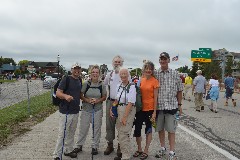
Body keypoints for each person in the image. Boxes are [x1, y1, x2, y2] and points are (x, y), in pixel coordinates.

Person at [72, 65, 107, 155]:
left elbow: (104, 96)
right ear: (90, 73)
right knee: (83, 128)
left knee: (96, 129)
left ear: (99, 74)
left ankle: (94, 146)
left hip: (98, 109)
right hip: (86, 109)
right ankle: (79, 145)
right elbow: (81, 95)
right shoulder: (86, 84)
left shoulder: (102, 84)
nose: (95, 74)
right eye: (93, 72)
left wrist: (97, 100)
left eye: (96, 72)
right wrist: (87, 100)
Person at [155, 52, 183, 160]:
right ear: (159, 61)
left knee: (171, 130)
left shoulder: (175, 73)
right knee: (160, 129)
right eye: (161, 59)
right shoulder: (156, 73)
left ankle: (172, 152)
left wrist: (180, 105)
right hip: (159, 107)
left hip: (172, 107)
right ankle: (163, 148)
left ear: (168, 60)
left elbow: (180, 90)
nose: (163, 61)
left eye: (165, 59)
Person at [53, 63, 82, 160]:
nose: (77, 70)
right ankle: (56, 155)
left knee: (71, 132)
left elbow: (79, 94)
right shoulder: (66, 79)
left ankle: (68, 150)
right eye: (75, 69)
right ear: (71, 70)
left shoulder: (79, 80)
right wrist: (66, 96)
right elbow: (58, 93)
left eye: (78, 69)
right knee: (63, 133)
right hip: (65, 111)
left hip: (75, 110)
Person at [103, 55, 130, 156]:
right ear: (112, 63)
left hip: (122, 103)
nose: (117, 64)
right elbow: (104, 84)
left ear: (122, 63)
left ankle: (120, 145)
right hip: (111, 101)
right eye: (116, 62)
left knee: (120, 124)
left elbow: (130, 87)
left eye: (119, 62)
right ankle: (110, 144)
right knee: (109, 124)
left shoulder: (126, 74)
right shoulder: (110, 74)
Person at [133, 61, 159, 160]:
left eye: (150, 69)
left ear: (152, 70)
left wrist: (154, 112)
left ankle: (146, 150)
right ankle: (139, 149)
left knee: (148, 130)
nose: (148, 70)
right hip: (140, 109)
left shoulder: (155, 81)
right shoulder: (141, 80)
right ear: (143, 70)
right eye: (146, 68)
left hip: (150, 109)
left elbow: (156, 98)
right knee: (137, 129)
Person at [111, 68, 136, 160]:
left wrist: (125, 117)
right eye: (121, 74)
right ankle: (123, 153)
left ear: (128, 75)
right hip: (119, 109)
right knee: (120, 132)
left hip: (128, 110)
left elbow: (130, 102)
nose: (123, 76)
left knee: (124, 133)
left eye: (125, 74)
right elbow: (116, 99)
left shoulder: (132, 86)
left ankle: (126, 156)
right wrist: (112, 108)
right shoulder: (119, 85)